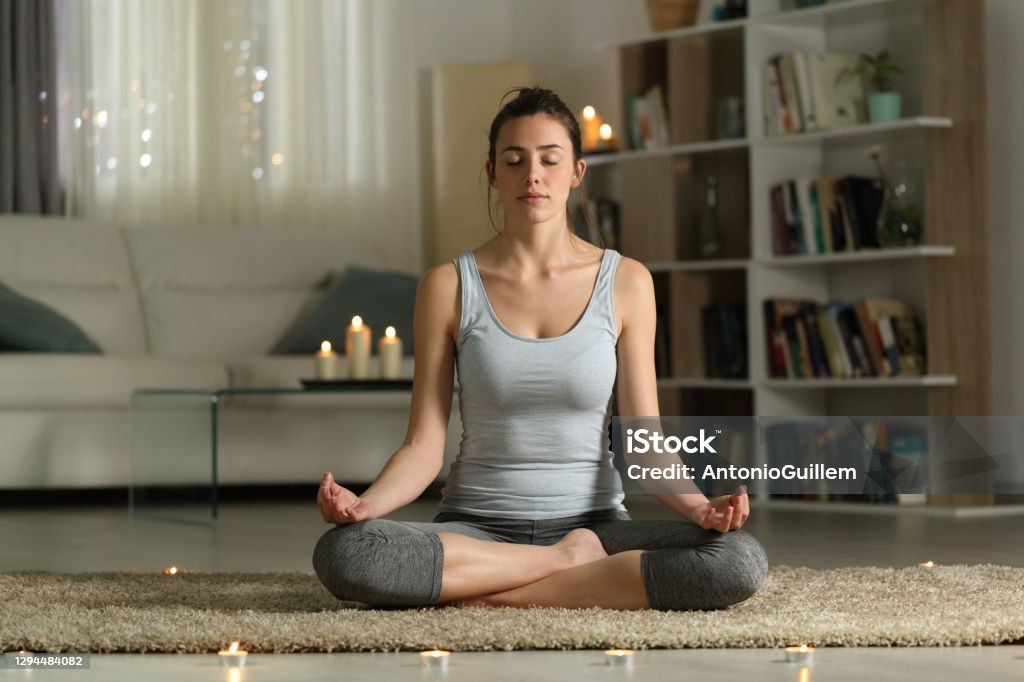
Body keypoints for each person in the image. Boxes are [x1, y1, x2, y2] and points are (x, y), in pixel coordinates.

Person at [312, 87, 767, 610]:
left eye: (550, 159)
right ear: (492, 173)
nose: (533, 175)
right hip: (479, 531)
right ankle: (565, 573)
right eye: (515, 160)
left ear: (577, 171)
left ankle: (484, 594)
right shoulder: (448, 285)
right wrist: (364, 505)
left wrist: (698, 509)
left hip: (594, 530)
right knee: (348, 553)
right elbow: (422, 448)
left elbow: (644, 442)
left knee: (738, 560)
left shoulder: (627, 282)